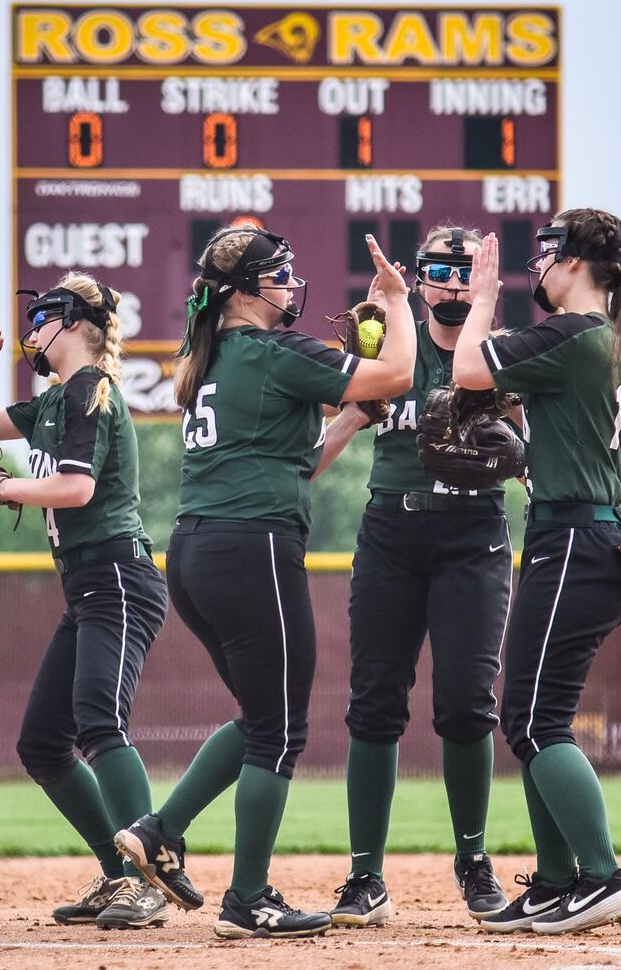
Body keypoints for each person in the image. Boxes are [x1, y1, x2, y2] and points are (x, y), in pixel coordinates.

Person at [114, 225, 415, 940]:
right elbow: (398, 374)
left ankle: (160, 830)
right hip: (252, 552)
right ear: (245, 290)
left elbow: (291, 463)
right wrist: (398, 303)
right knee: (279, 731)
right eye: (278, 275)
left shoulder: (215, 356)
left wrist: (345, 421)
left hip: (197, 551)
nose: (289, 285)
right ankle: (248, 899)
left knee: (259, 718)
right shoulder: (274, 350)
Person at [451, 210, 621, 934]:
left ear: (575, 262)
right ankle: (552, 882)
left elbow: (469, 368)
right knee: (536, 718)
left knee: (534, 721)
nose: (536, 266)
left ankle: (603, 875)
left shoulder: (577, 331)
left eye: (546, 252)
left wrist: (481, 301)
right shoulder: (598, 337)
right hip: (581, 539)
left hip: (575, 543)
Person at [0, 273, 172, 930]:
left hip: (117, 579)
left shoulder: (90, 395)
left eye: (44, 316)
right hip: (86, 588)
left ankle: (147, 879)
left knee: (99, 725)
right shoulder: (54, 401)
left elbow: (75, 489)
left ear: (75, 323)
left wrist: (6, 489)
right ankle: (117, 873)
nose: (32, 329)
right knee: (43, 744)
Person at [321, 226, 512, 928]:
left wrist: (515, 451)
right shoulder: (391, 348)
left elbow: (534, 446)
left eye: (467, 273)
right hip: (392, 533)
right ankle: (365, 877)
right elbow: (340, 425)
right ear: (420, 278)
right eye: (441, 271)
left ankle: (473, 859)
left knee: (465, 704)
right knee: (373, 703)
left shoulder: (496, 352)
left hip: (473, 535)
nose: (455, 285)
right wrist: (285, 483)